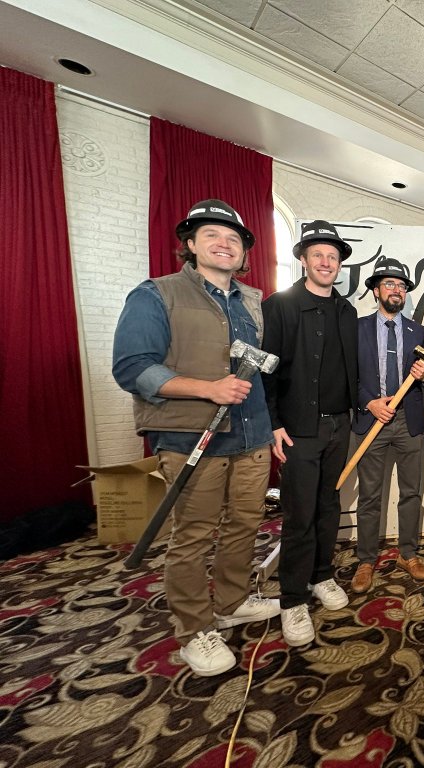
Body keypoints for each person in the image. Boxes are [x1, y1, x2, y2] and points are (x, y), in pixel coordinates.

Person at [113, 199, 279, 676]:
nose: (224, 244)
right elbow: (132, 367)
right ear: (189, 244)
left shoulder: (251, 301)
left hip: (252, 434)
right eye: (212, 235)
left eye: (233, 238)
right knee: (193, 535)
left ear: (244, 251)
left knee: (245, 524)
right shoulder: (156, 294)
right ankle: (193, 629)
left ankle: (232, 601)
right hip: (192, 438)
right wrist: (207, 388)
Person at [261, 220, 358, 646]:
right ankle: (292, 598)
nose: (325, 262)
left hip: (339, 425)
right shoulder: (279, 305)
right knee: (298, 514)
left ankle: (321, 575)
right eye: (318, 254)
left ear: (339, 265)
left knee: (328, 506)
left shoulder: (346, 311)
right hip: (298, 429)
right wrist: (273, 422)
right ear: (303, 260)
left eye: (332, 257)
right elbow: (265, 370)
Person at [351, 258, 424, 593]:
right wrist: (369, 402)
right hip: (372, 419)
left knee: (411, 493)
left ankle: (408, 554)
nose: (396, 290)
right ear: (376, 291)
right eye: (389, 284)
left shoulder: (419, 332)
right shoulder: (356, 329)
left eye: (401, 285)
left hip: (408, 422)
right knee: (370, 494)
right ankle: (366, 560)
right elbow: (348, 376)